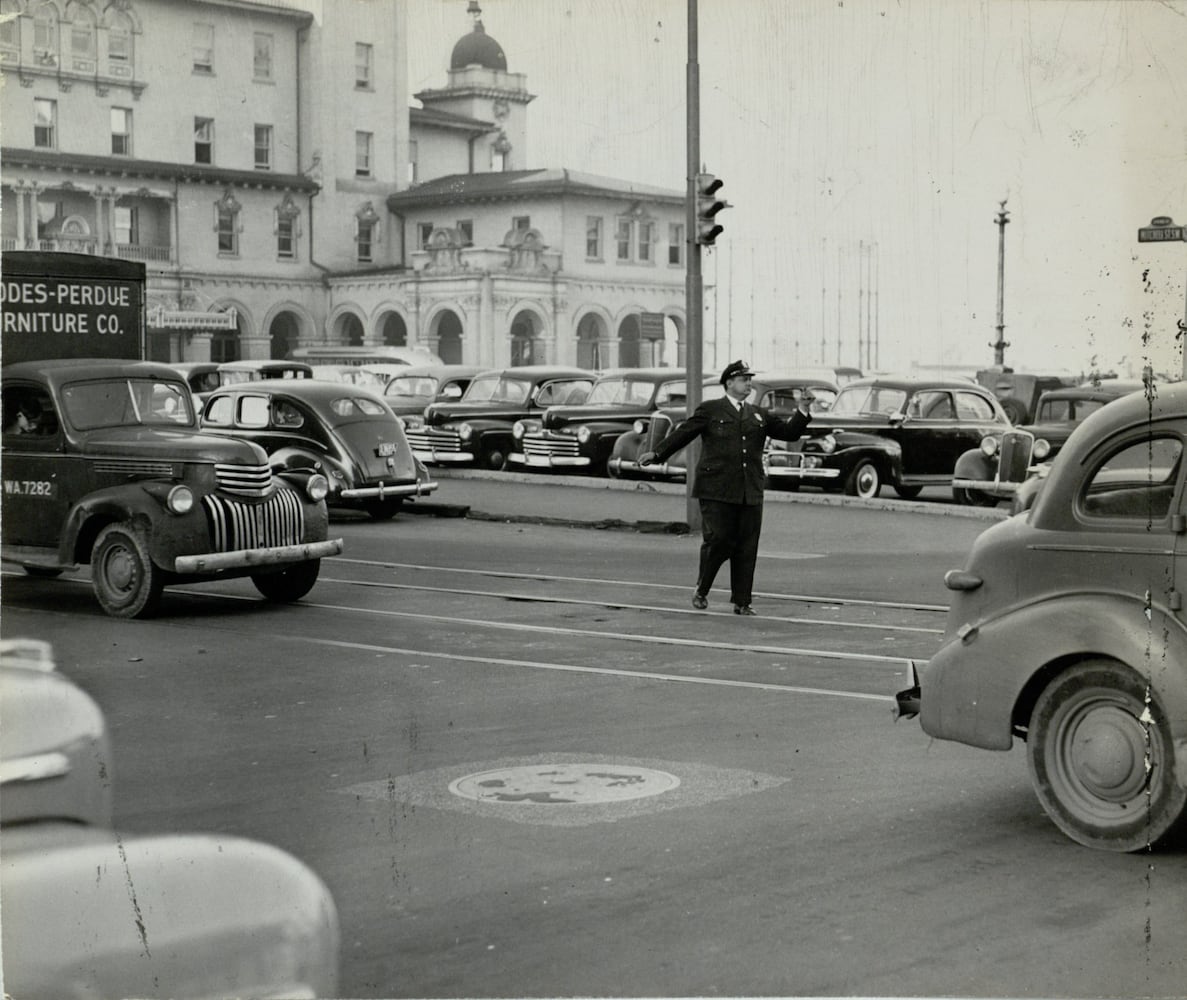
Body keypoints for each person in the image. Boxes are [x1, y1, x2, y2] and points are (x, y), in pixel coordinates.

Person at [638, 360, 813, 615]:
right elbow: (684, 433)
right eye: (744, 380)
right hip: (716, 488)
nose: (748, 384)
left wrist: (803, 409)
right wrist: (656, 453)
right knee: (720, 540)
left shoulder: (757, 414)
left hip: (749, 488)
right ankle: (702, 587)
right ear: (729, 383)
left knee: (747, 545)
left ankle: (742, 602)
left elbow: (789, 433)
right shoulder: (711, 410)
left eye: (750, 380)